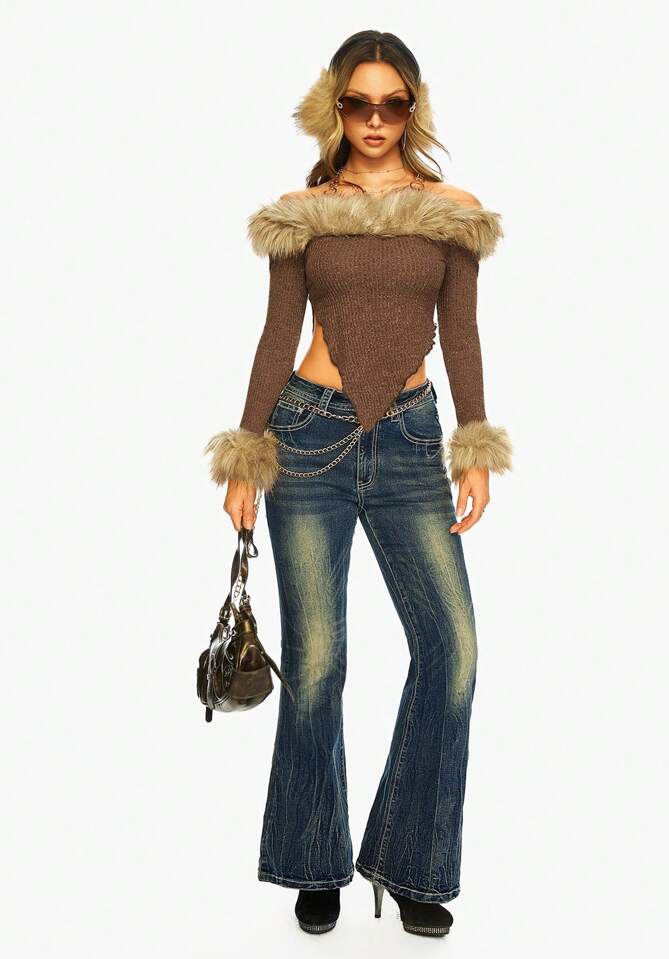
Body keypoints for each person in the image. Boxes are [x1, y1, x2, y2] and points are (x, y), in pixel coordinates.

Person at [204, 29, 513, 937]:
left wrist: (473, 444)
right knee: (318, 662)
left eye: (391, 104)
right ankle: (313, 858)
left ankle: (412, 860)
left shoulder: (451, 211)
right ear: (334, 106)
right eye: (357, 103)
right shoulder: (303, 212)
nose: (374, 120)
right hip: (308, 438)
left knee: (453, 649)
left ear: (412, 107)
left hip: (413, 442)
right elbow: (277, 333)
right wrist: (246, 453)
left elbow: (462, 333)